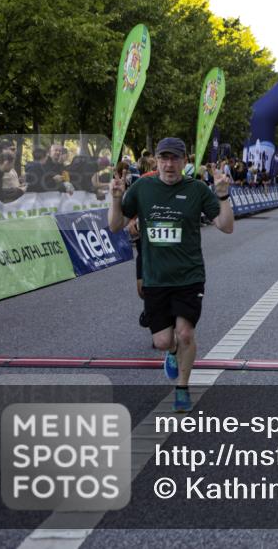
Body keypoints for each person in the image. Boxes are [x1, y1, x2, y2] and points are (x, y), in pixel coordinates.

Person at [109, 137, 234, 411]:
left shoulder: (197, 189)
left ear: (184, 161)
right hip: (156, 278)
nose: (169, 164)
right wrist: (116, 199)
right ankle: (173, 353)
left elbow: (226, 226)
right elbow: (116, 225)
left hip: (189, 276)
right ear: (156, 160)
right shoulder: (142, 187)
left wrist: (223, 196)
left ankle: (182, 387)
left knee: (185, 333)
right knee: (164, 340)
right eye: (164, 158)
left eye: (175, 158)